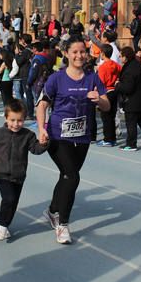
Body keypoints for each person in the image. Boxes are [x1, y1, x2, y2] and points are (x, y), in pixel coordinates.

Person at [38, 37, 110, 244]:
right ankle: (63, 225)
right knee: (72, 176)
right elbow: (42, 105)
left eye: (82, 52)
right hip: (57, 135)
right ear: (67, 54)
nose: (79, 56)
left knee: (66, 176)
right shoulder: (56, 79)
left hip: (83, 136)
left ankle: (53, 211)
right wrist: (41, 129)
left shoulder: (92, 78)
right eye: (75, 52)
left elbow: (106, 106)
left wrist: (99, 100)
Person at [0, 100, 49, 240]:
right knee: (9, 198)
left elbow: (35, 149)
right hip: (1, 173)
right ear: (5, 118)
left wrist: (44, 143)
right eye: (12, 120)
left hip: (19, 175)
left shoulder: (27, 135)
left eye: (20, 120)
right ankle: (3, 225)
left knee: (13, 202)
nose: (16, 124)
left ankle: (2, 223)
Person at [115, 46, 141, 151]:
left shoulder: (129, 69)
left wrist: (118, 85)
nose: (120, 57)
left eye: (121, 56)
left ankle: (131, 144)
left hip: (132, 100)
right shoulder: (139, 65)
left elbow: (128, 88)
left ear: (126, 57)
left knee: (131, 122)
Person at [96, 44, 121, 147]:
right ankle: (112, 138)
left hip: (106, 92)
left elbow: (101, 83)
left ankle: (108, 139)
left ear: (102, 53)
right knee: (112, 116)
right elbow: (120, 73)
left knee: (105, 117)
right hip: (114, 91)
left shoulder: (102, 67)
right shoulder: (116, 65)